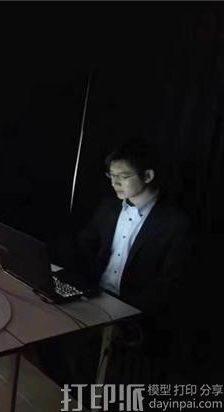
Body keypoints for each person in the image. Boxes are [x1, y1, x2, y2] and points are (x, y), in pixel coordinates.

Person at [35, 139, 193, 385]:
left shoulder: (174, 223)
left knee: (78, 349)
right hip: (96, 295)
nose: (114, 182)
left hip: (133, 308)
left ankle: (81, 393)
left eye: (123, 176)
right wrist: (51, 264)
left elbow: (169, 286)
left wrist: (123, 313)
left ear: (148, 175)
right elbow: (83, 246)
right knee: (43, 325)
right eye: (111, 175)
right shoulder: (109, 207)